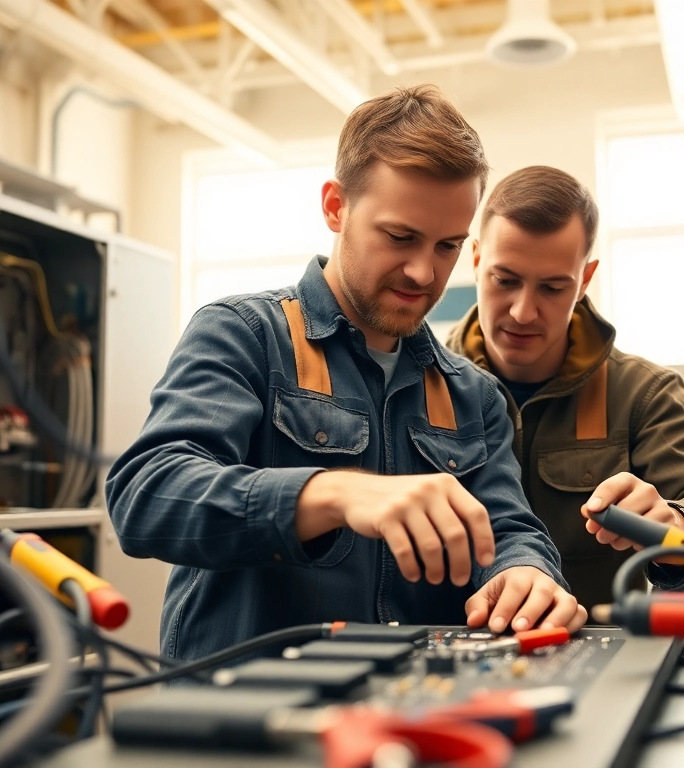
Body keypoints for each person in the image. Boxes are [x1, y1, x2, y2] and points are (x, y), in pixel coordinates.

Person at [106, 87, 583, 661]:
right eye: (400, 237)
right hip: (247, 726)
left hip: (412, 720)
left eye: (447, 246)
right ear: (336, 206)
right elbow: (147, 495)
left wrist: (526, 572)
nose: (422, 271)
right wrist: (330, 492)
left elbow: (509, 528)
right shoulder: (243, 334)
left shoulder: (473, 395)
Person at [446, 166, 684, 609]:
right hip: (452, 653)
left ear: (585, 280)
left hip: (602, 650)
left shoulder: (640, 392)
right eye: (506, 281)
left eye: (553, 287)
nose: (522, 311)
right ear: (477, 260)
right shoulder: (419, 383)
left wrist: (678, 521)